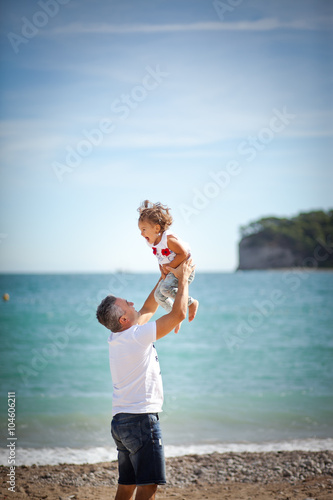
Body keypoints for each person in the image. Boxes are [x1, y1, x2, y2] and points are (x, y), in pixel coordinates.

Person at [96, 259, 195, 500]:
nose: (131, 302)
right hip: (140, 422)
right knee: (149, 485)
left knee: (127, 484)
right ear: (123, 320)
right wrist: (183, 280)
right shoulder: (136, 336)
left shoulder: (118, 337)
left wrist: (164, 279)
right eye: (126, 304)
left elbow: (149, 307)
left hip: (121, 422)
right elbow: (179, 313)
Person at [137, 200, 199, 333]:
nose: (141, 234)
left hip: (183, 269)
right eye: (140, 230)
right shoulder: (153, 243)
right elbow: (160, 258)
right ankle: (175, 315)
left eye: (144, 229)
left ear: (157, 228)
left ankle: (191, 302)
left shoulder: (168, 239)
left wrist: (169, 267)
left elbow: (183, 253)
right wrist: (162, 270)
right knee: (158, 296)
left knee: (165, 290)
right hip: (172, 271)